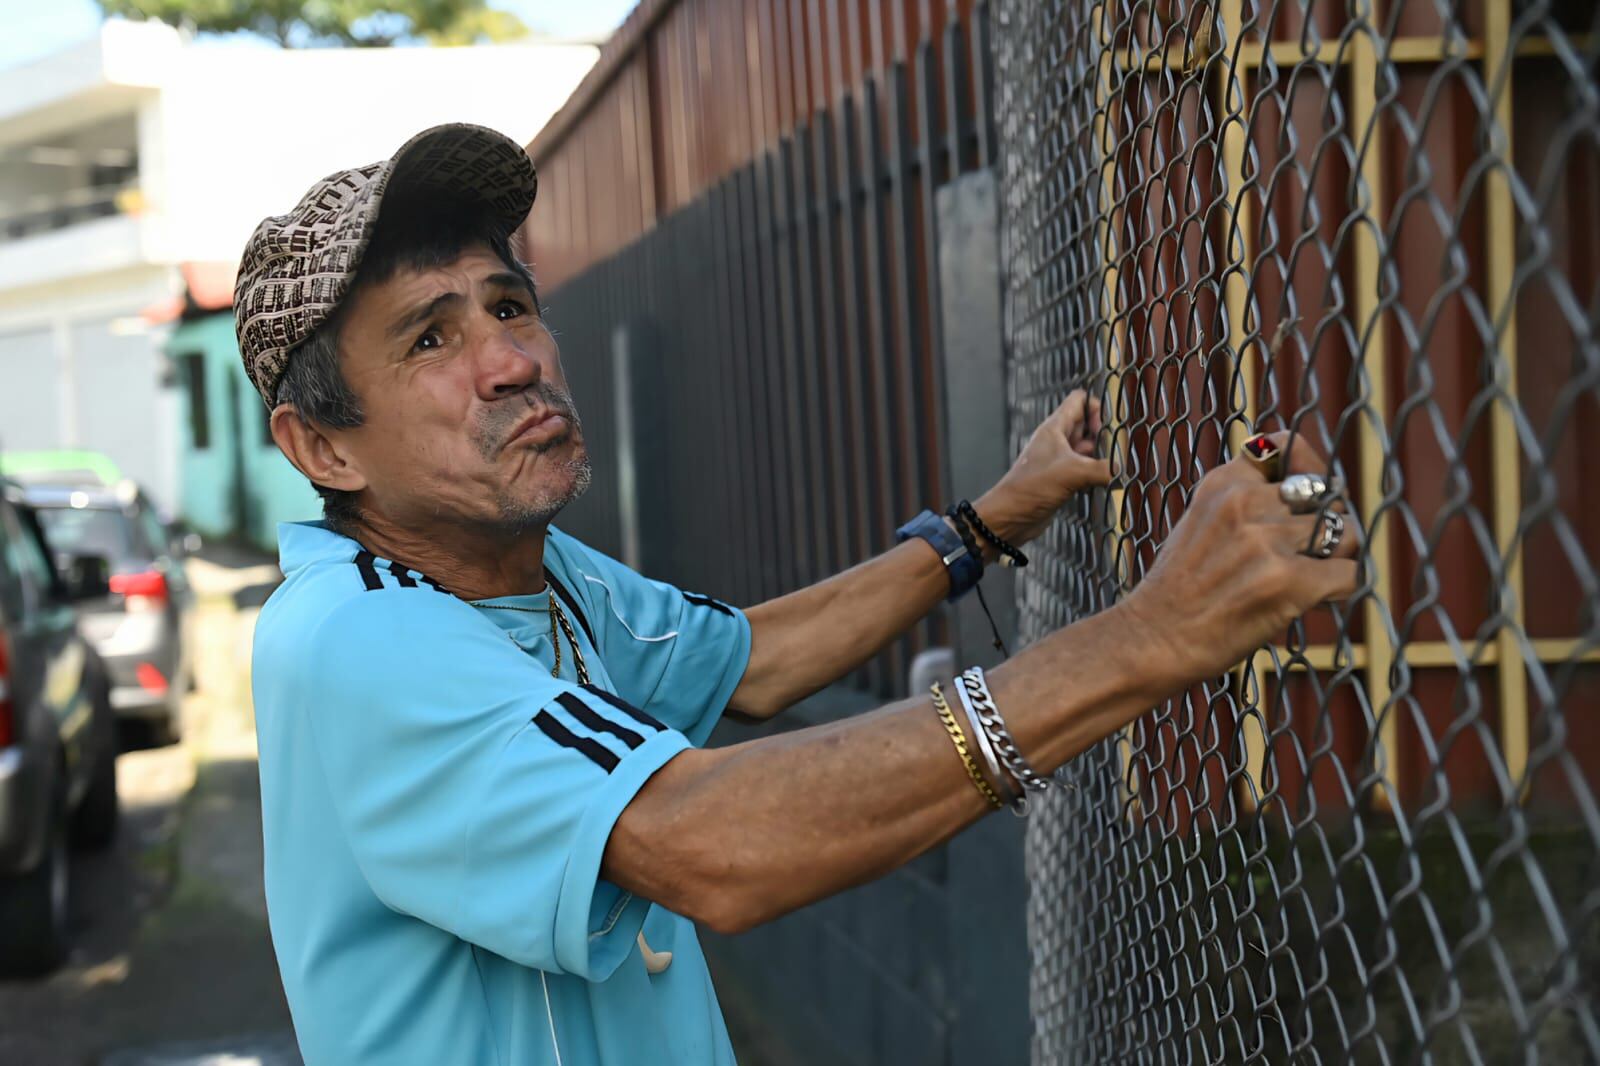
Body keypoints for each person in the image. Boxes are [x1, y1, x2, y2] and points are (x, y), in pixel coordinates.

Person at [238, 124, 1356, 1065]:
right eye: (431, 336)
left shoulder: (525, 564)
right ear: (323, 448)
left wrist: (987, 523)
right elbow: (704, 843)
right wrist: (1157, 633)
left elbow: (749, 657)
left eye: (510, 305)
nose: (509, 359)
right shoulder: (361, 638)